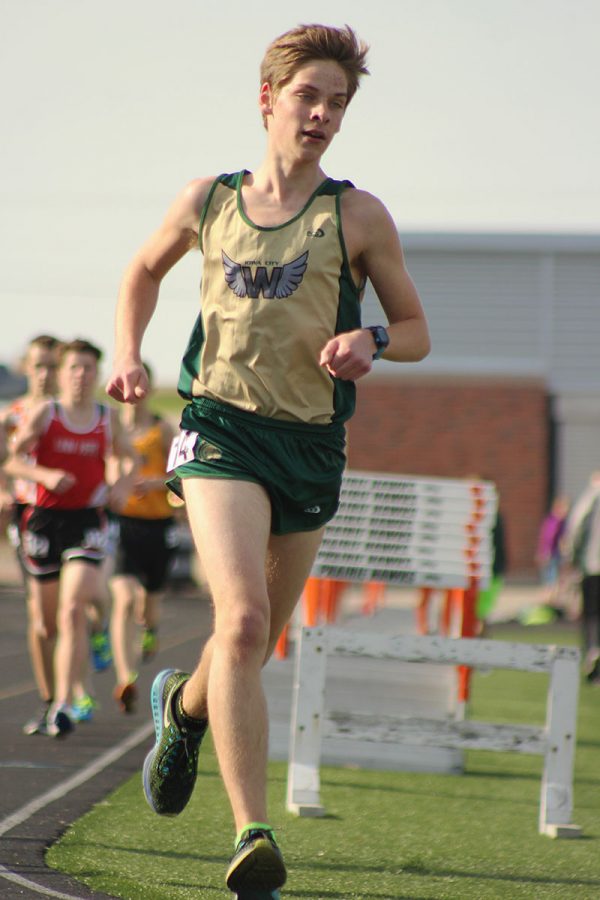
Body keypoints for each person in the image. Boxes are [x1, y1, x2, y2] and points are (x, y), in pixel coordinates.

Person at [106, 23, 429, 897]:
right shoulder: (207, 200)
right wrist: (129, 352)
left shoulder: (356, 215)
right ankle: (253, 834)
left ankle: (182, 708)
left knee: (253, 643)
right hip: (219, 428)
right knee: (242, 621)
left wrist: (369, 339)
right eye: (308, 97)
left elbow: (416, 333)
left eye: (338, 102)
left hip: (310, 446)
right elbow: (141, 270)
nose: (322, 114)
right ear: (268, 100)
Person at [9, 338, 137, 736]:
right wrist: (43, 475)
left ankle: (63, 703)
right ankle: (67, 684)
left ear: (98, 375)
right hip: (45, 521)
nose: (81, 376)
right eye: (74, 369)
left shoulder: (106, 416)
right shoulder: (45, 414)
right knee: (48, 625)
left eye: (88, 369)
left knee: (72, 609)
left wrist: (122, 483)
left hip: (87, 521)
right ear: (63, 375)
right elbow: (12, 459)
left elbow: (128, 455)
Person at [0, 335, 62, 734]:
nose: (44, 374)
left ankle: (94, 638)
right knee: (40, 617)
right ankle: (49, 700)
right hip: (29, 516)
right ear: (26, 368)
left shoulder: (73, 413)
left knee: (80, 605)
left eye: (52, 366)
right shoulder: (12, 416)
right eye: (38, 365)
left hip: (74, 516)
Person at [109, 362, 178, 713]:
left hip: (157, 523)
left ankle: (150, 629)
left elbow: (180, 474)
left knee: (148, 600)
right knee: (123, 598)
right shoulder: (112, 430)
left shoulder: (161, 430)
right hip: (123, 524)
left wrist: (155, 483)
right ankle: (126, 678)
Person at [562, 471, 600, 683]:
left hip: (593, 566)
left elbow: (576, 527)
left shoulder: (592, 497)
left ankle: (593, 652)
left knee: (592, 615)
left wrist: (571, 557)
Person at [535, 494, 570, 607]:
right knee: (551, 578)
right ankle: (548, 601)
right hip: (552, 554)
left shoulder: (557, 521)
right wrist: (545, 552)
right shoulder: (555, 522)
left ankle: (551, 600)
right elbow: (549, 538)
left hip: (555, 554)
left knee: (554, 578)